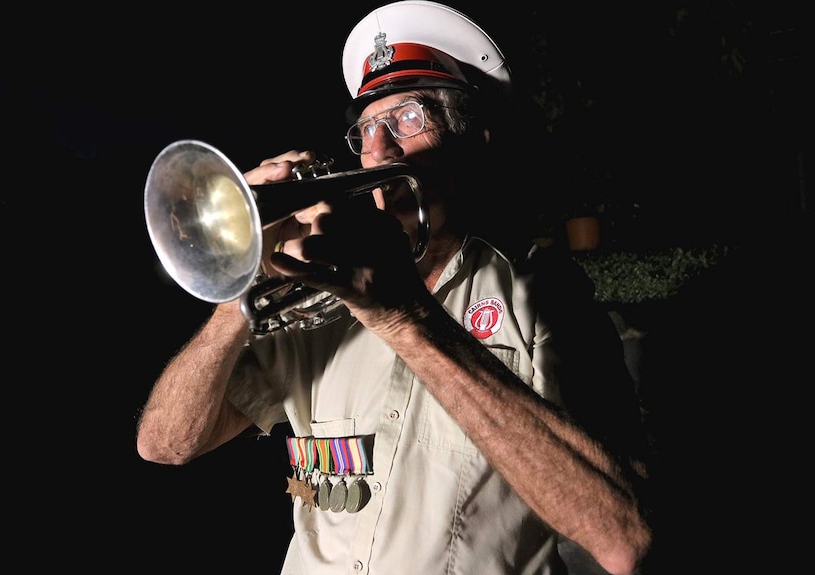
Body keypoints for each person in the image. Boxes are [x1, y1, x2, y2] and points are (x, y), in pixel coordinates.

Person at [136, 2, 654, 574]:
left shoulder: (541, 292)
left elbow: (622, 535)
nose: (378, 150)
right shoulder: (317, 301)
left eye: (409, 118)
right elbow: (165, 444)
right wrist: (245, 278)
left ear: (470, 142)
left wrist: (404, 319)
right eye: (366, 130)